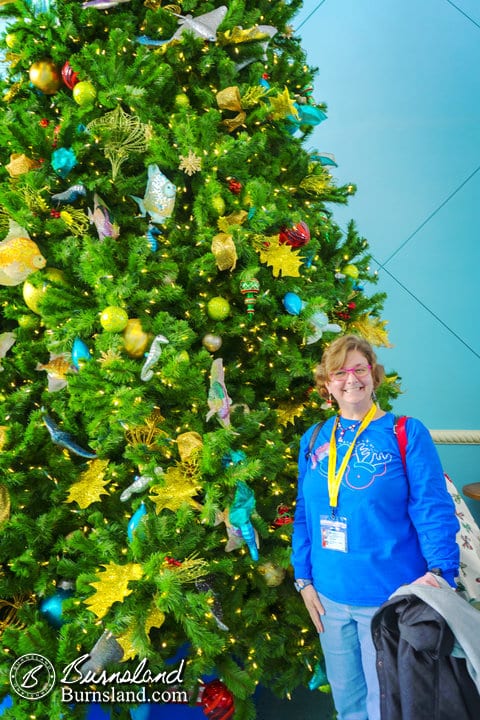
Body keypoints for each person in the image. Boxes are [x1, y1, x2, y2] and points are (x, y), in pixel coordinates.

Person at [291, 334, 460, 720]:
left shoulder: (405, 432)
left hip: (390, 600)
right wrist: (303, 579)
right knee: (347, 705)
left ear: (374, 375)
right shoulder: (314, 438)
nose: (351, 379)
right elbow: (305, 513)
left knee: (390, 707)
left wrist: (440, 574)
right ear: (327, 383)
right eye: (340, 372)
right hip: (330, 602)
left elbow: (432, 508)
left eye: (359, 369)